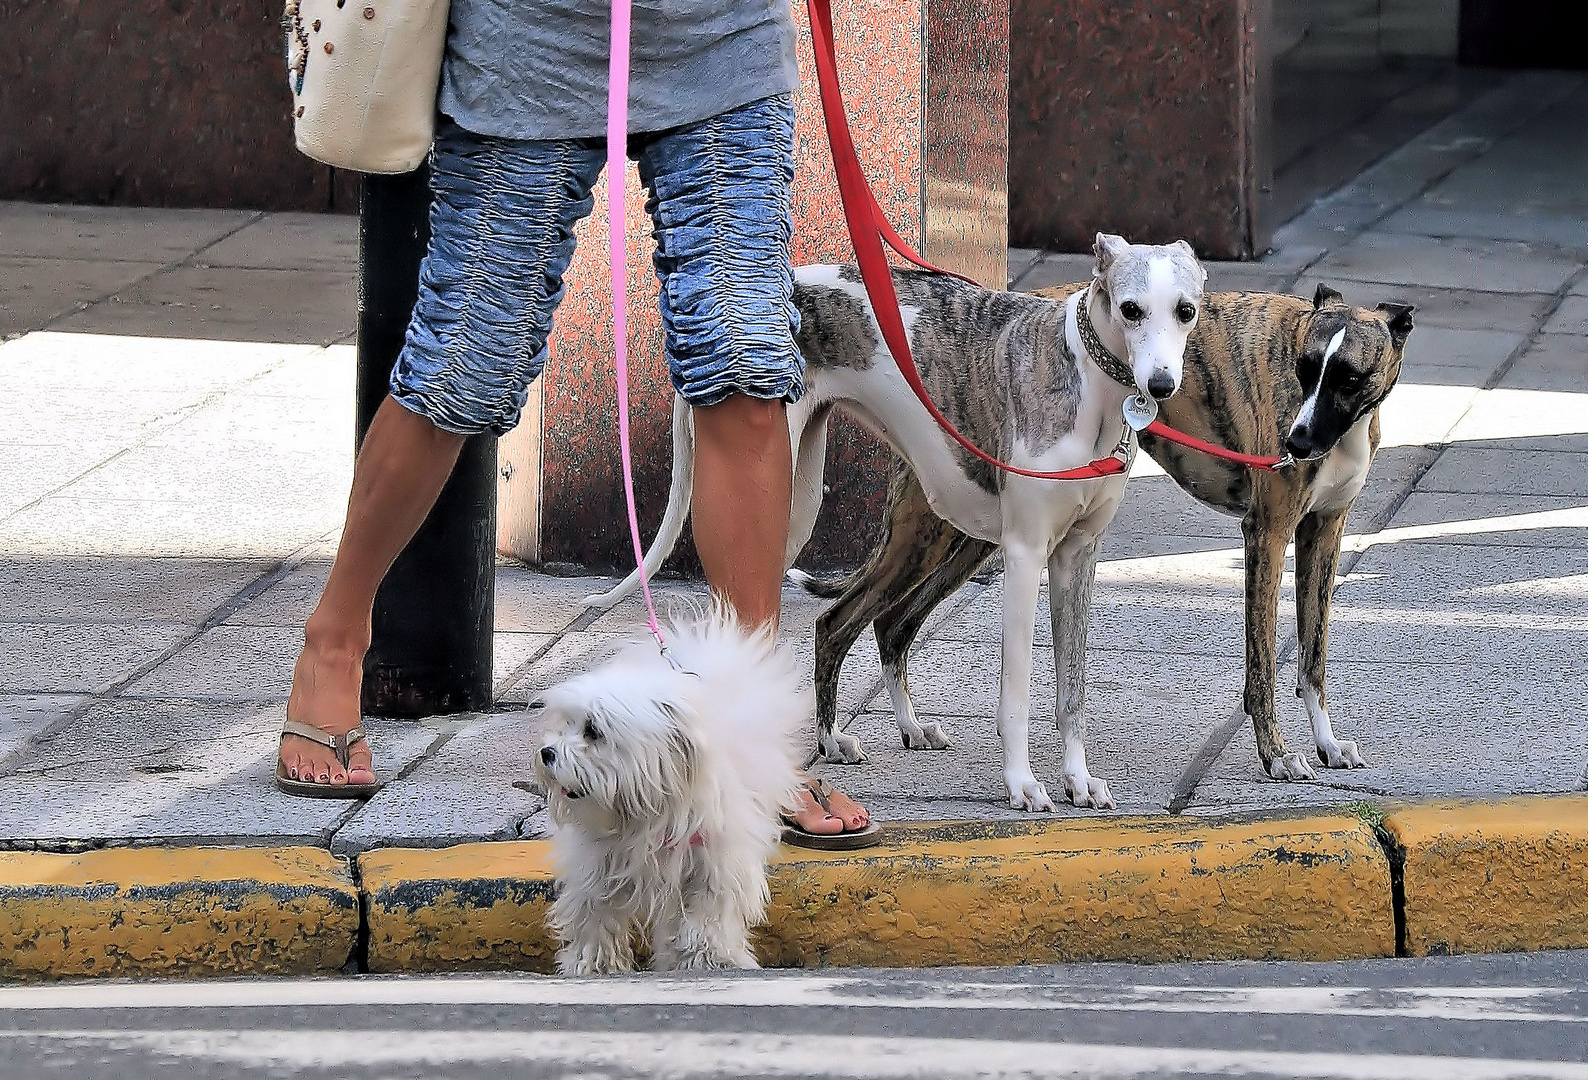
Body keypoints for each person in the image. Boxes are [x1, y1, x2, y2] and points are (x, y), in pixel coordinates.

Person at [276, 0, 873, 844]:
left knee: (744, 364)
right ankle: (334, 639)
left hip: (722, 35)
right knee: (463, 367)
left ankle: (749, 734)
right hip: (533, 35)